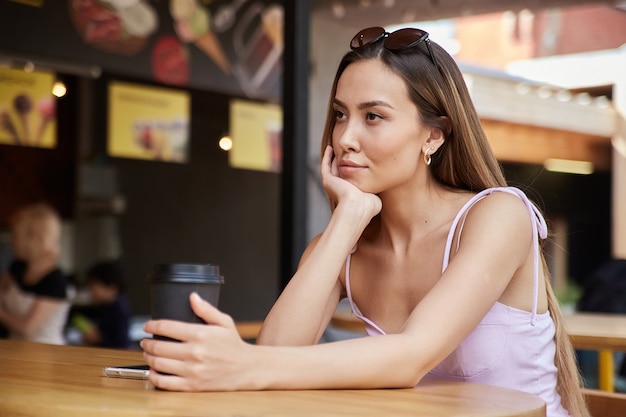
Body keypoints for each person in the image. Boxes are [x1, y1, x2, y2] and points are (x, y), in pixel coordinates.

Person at [140, 26, 588, 417]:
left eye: (373, 116)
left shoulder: (498, 216)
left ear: (434, 134)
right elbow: (276, 357)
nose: (345, 138)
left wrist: (240, 362)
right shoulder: (340, 246)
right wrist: (347, 220)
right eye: (340, 115)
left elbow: (410, 357)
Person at [0, 203, 69, 344]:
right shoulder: (17, 268)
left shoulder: (55, 280)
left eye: (15, 234)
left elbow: (28, 329)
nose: (11, 240)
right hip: (13, 349)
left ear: (33, 239)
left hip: (44, 354)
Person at [71, 260, 131, 349]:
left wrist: (98, 339)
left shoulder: (118, 310)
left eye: (93, 286)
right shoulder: (105, 306)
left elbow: (121, 344)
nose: (91, 291)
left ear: (111, 286)